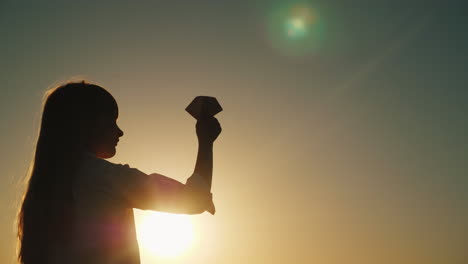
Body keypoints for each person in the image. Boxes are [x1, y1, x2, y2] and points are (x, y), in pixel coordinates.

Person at [17, 81, 221, 264]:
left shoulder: (41, 194)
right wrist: (206, 141)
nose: (120, 131)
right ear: (87, 122)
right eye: (112, 120)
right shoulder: (107, 178)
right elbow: (194, 200)